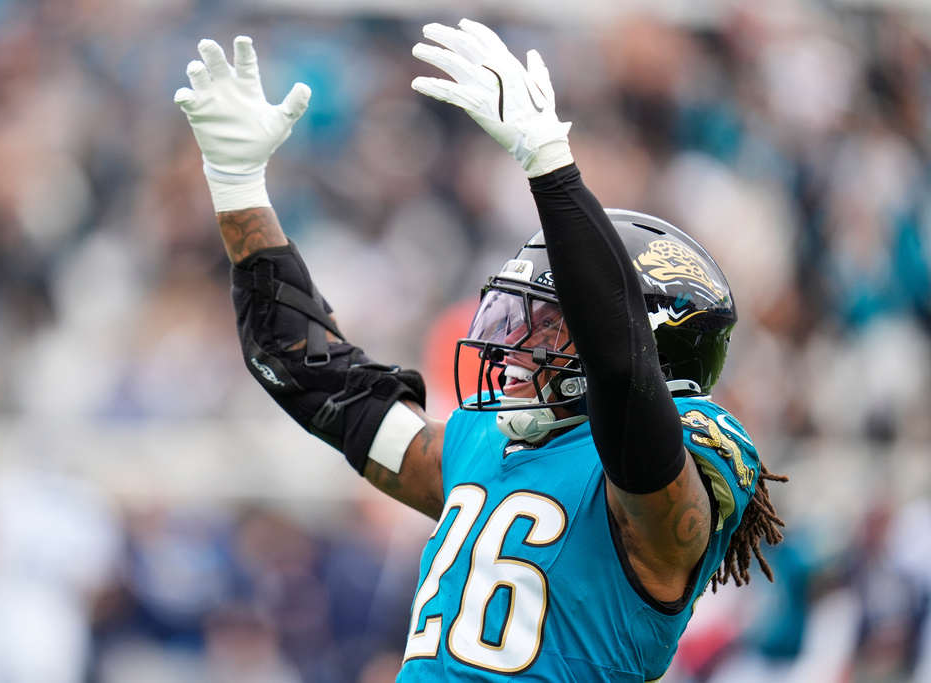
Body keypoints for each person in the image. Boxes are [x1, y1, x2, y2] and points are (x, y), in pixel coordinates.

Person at [174, 19, 787, 681]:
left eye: (553, 324)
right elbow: (307, 371)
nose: (521, 343)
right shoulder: (480, 444)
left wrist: (552, 169)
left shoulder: (665, 481)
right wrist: (238, 188)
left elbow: (620, 371)